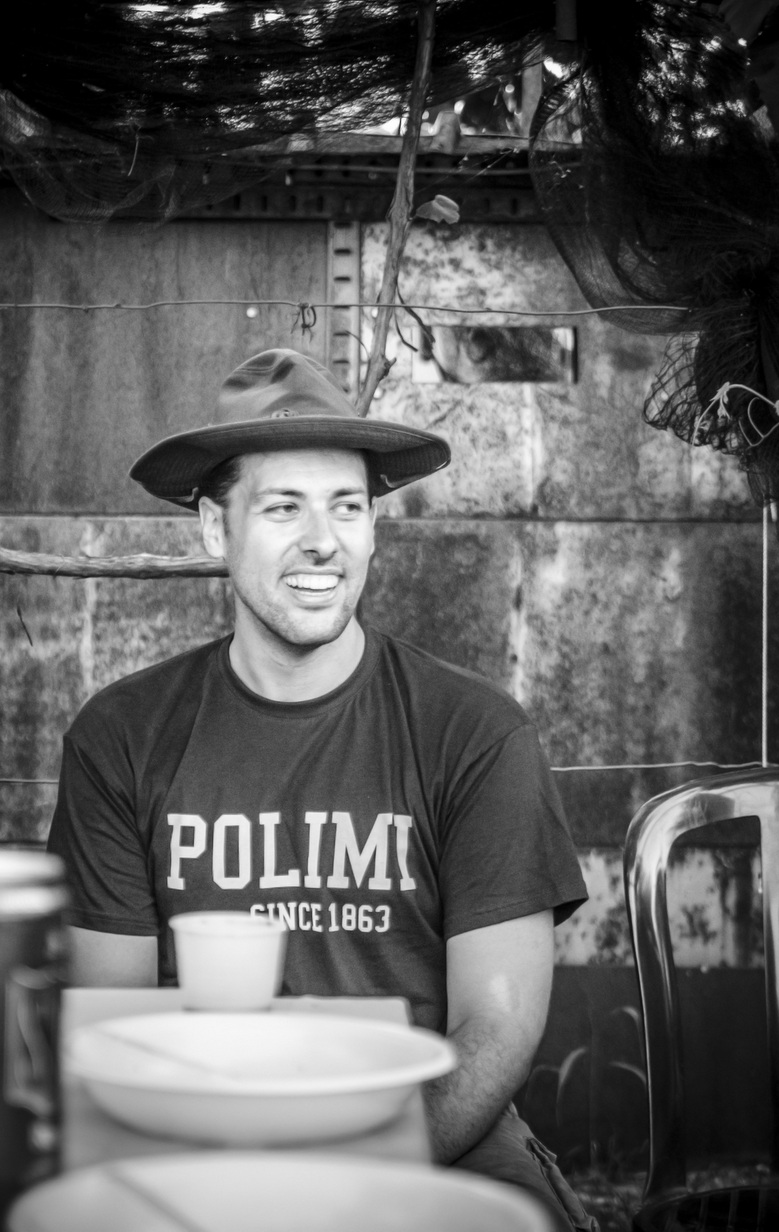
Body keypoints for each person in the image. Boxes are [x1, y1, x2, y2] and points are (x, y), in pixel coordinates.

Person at [48, 348, 594, 1231]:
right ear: (214, 528)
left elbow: (495, 1032)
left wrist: (341, 1186)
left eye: (347, 506)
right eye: (283, 507)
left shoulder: (474, 733)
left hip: (437, 1134)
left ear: (374, 526)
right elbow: (110, 1024)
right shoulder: (121, 739)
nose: (322, 540)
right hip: (200, 1141)